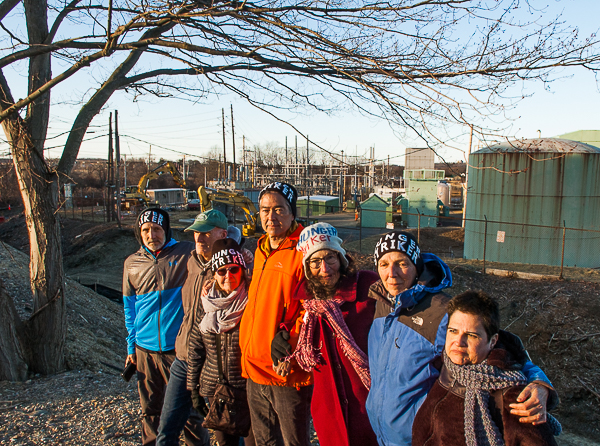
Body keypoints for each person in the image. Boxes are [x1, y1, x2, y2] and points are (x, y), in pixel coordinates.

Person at [365, 231, 557, 446]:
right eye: (383, 264)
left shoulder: (442, 310)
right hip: (381, 432)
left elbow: (499, 345)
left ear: (417, 266)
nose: (392, 273)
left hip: (418, 435)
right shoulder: (381, 302)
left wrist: (539, 382)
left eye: (402, 263)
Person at [412, 290, 561, 446]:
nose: (458, 341)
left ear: (493, 340)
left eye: (471, 335)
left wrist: (540, 384)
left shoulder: (515, 397)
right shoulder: (447, 365)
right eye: (453, 331)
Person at [290, 222, 379, 446]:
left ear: (341, 258)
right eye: (315, 262)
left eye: (330, 258)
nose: (325, 269)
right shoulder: (306, 304)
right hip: (329, 415)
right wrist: (283, 333)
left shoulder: (368, 287)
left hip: (370, 411)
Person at [238, 182, 313, 446]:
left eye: (279, 210)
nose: (271, 217)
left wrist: (290, 345)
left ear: (292, 213)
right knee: (264, 442)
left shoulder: (304, 251)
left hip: (284, 369)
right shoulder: (260, 249)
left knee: (294, 441)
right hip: (254, 367)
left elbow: (311, 309)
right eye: (265, 210)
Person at [123, 208, 201, 445]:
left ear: (166, 230)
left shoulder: (187, 252)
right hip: (145, 351)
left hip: (177, 350)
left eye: (156, 229)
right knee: (151, 411)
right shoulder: (131, 263)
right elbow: (129, 309)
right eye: (145, 230)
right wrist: (131, 348)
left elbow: (214, 252)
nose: (151, 235)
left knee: (188, 413)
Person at [155, 209, 230, 446]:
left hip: (215, 365)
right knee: (167, 430)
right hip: (184, 357)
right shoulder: (192, 262)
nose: (200, 238)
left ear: (223, 234)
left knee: (227, 431)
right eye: (196, 232)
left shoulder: (231, 268)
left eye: (207, 233)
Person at [187, 238, 255, 446]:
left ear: (242, 270)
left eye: (234, 269)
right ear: (214, 274)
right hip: (216, 389)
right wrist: (193, 387)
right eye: (222, 271)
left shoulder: (253, 297)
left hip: (249, 389)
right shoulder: (207, 301)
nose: (228, 276)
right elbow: (196, 345)